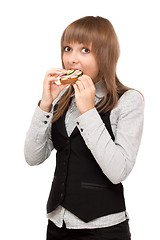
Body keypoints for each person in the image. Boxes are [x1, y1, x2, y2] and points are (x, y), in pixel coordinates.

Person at [24, 16, 144, 240]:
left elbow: (119, 172)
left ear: (106, 54)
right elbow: (33, 157)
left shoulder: (128, 101)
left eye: (85, 50)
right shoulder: (61, 97)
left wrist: (88, 112)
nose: (72, 59)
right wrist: (45, 104)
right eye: (67, 49)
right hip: (57, 224)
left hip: (104, 230)